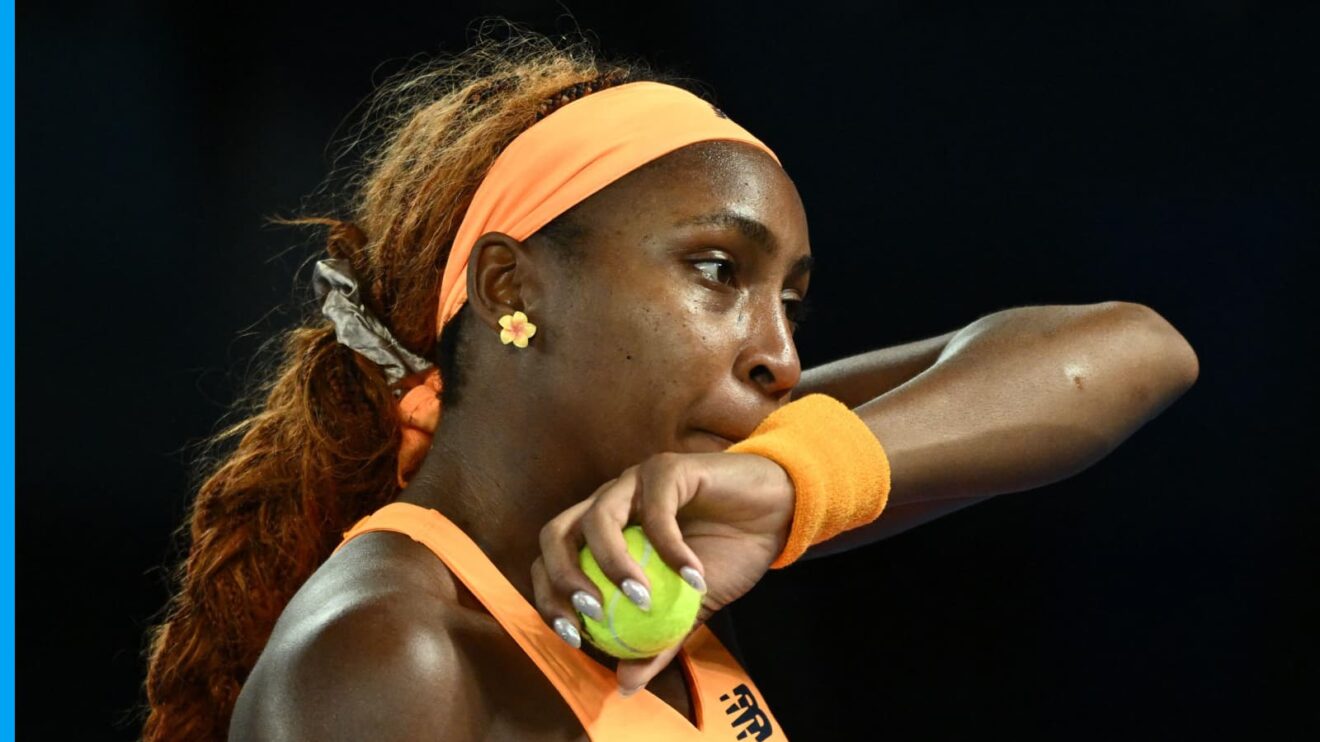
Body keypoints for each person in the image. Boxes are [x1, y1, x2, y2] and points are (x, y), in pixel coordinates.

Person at [141, 31, 1200, 742]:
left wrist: (788, 490)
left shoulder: (685, 531)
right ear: (514, 289)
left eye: (790, 299)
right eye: (717, 271)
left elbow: (1135, 350)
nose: (777, 354)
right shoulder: (383, 653)